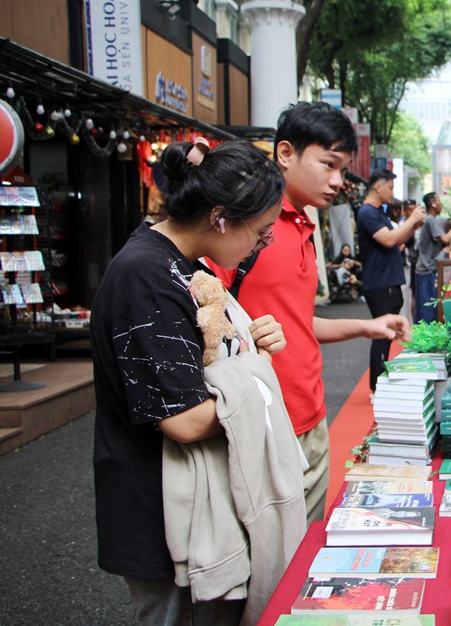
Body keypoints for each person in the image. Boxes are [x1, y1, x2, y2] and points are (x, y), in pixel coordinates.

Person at [91, 139, 301, 624]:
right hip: (163, 506)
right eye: (262, 233)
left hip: (185, 497)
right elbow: (184, 420)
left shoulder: (178, 262)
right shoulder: (147, 274)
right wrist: (259, 376)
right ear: (221, 217)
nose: (260, 245)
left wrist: (251, 343)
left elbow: (206, 360)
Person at [208, 102, 413, 523]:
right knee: (270, 566)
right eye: (328, 165)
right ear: (286, 154)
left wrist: (367, 326)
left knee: (303, 556)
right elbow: (207, 318)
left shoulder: (302, 226)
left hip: (312, 415)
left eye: (342, 169)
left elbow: (296, 322)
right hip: (263, 425)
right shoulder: (244, 226)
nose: (338, 181)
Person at [357, 167, 427, 392]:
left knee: (386, 336)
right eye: (390, 187)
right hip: (380, 283)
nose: (392, 192)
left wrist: (412, 226)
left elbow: (396, 241)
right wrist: (412, 220)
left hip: (387, 281)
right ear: (378, 186)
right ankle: (376, 387)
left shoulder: (378, 212)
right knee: (381, 334)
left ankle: (379, 382)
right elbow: (388, 240)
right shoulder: (367, 212)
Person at [414, 191, 451, 323]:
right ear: (432, 204)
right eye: (438, 201)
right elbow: (445, 239)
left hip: (426, 269)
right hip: (426, 269)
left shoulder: (433, 220)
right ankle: (426, 339)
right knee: (428, 309)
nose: (441, 204)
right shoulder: (430, 220)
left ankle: (419, 338)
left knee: (424, 307)